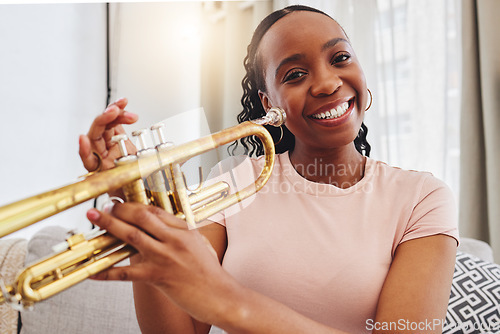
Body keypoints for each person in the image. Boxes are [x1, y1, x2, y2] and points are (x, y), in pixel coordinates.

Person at [79, 5, 459, 334]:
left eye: (340, 58)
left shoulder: (422, 198)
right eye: (294, 75)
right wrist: (132, 198)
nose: (327, 83)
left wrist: (228, 302)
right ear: (268, 103)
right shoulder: (233, 180)